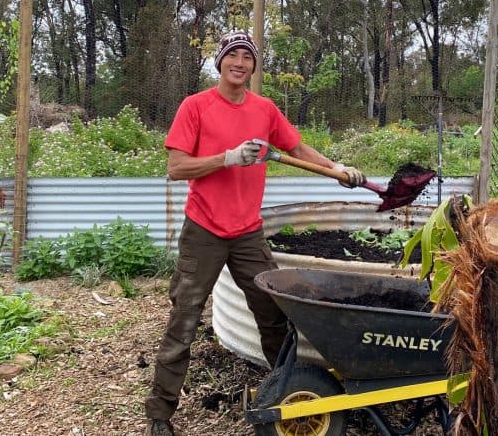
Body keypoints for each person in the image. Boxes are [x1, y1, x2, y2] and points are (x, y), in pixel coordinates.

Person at [144, 30, 364, 436]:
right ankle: (160, 414)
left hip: (247, 232)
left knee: (274, 314)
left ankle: (286, 395)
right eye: (233, 55)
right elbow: (176, 167)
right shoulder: (195, 106)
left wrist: (337, 170)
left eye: (247, 57)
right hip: (204, 230)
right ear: (220, 62)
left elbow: (297, 150)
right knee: (184, 321)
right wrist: (227, 158)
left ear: (253, 66)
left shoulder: (264, 110)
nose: (240, 63)